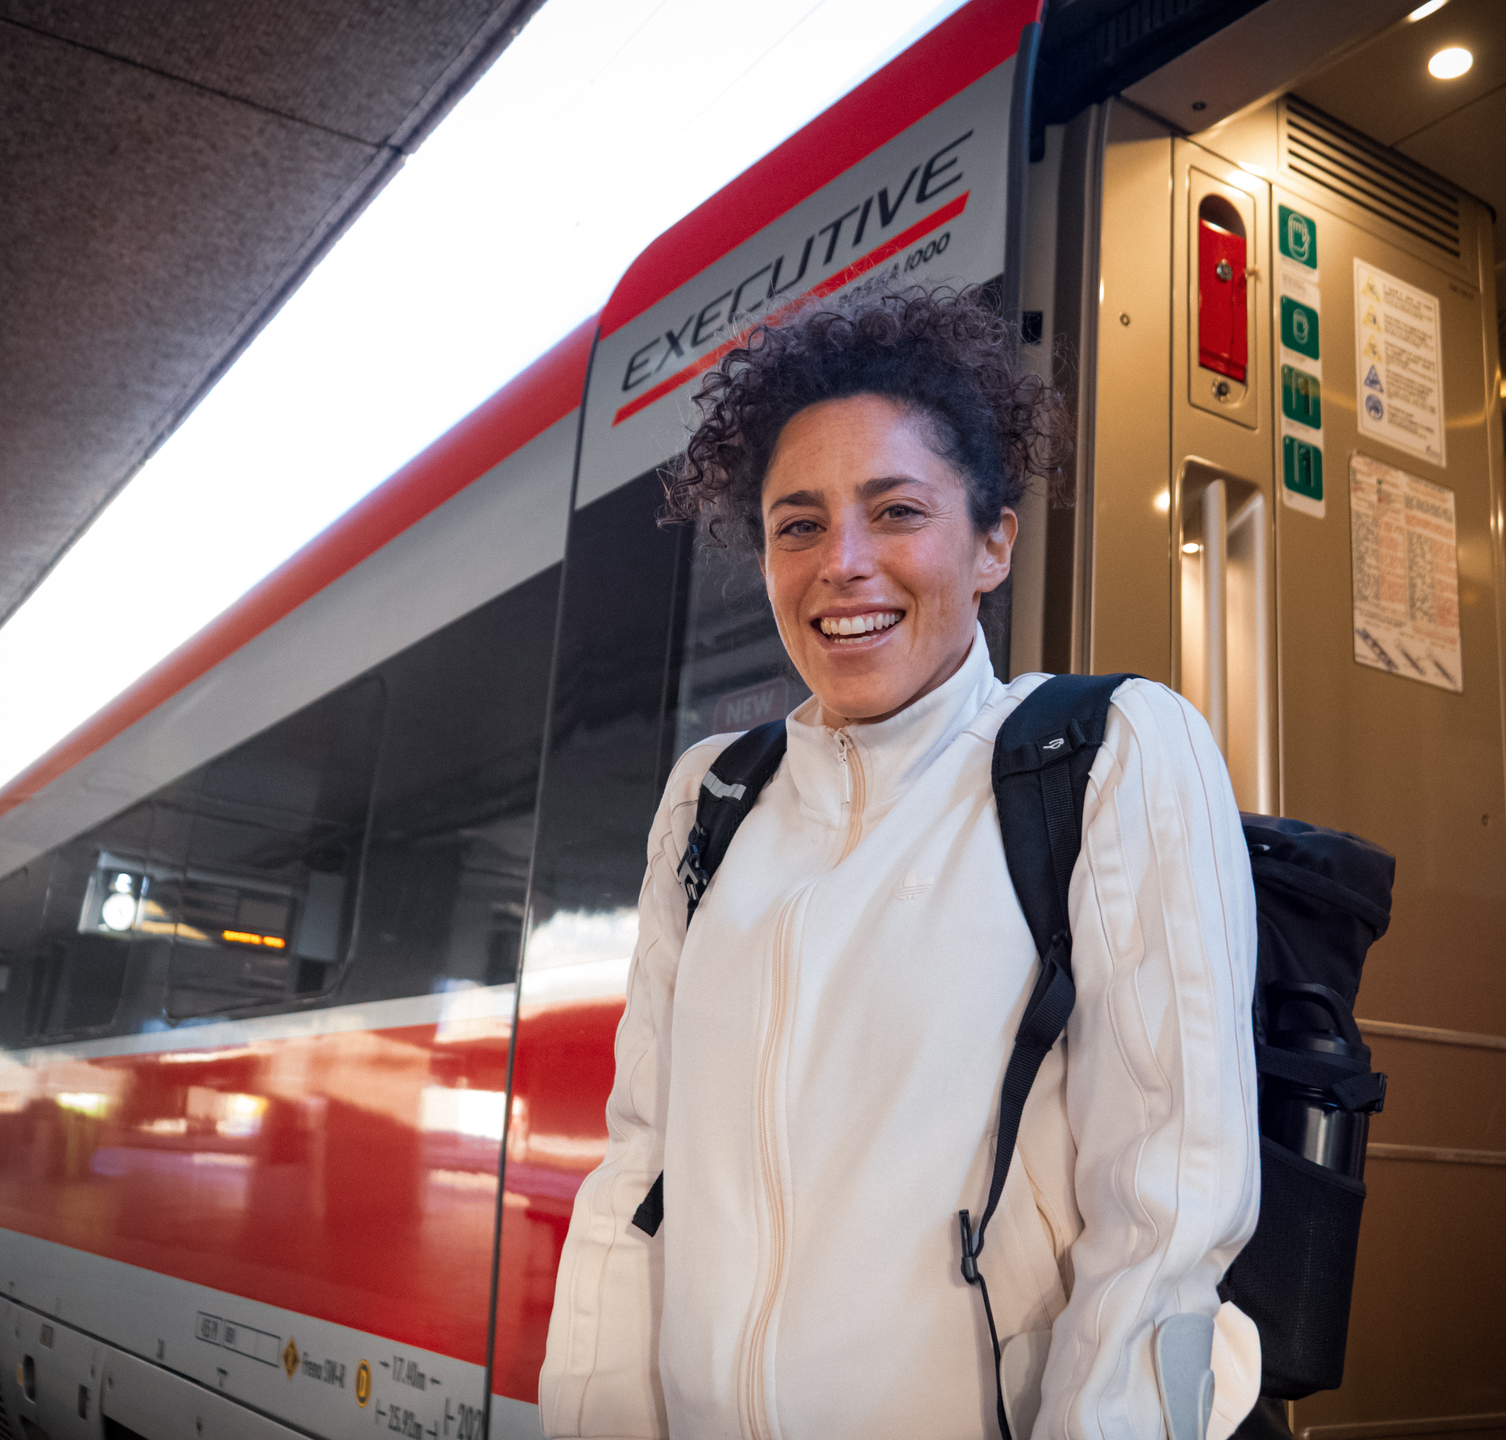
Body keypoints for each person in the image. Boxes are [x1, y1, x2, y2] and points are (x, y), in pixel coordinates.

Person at [538, 289, 1263, 1440]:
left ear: (992, 545)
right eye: (799, 526)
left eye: (897, 511)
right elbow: (641, 1178)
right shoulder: (713, 798)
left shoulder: (1105, 754)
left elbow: (1167, 1214)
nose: (844, 563)